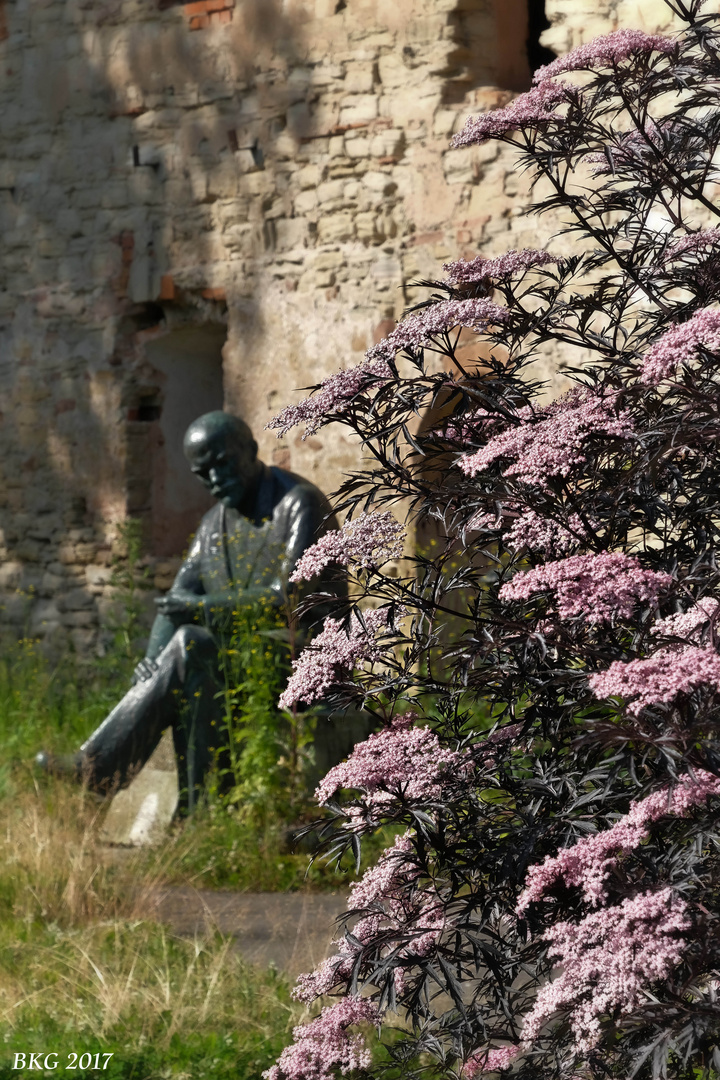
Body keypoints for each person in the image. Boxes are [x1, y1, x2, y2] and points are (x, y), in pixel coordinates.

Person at [36, 411, 344, 811]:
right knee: (187, 659)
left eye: (223, 464)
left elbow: (284, 600)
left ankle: (97, 771)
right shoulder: (213, 524)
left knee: (189, 646)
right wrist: (151, 663)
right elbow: (175, 601)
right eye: (203, 473)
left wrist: (197, 609)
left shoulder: (298, 503)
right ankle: (197, 811)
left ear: (250, 451)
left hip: (307, 659)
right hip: (242, 656)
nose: (214, 479)